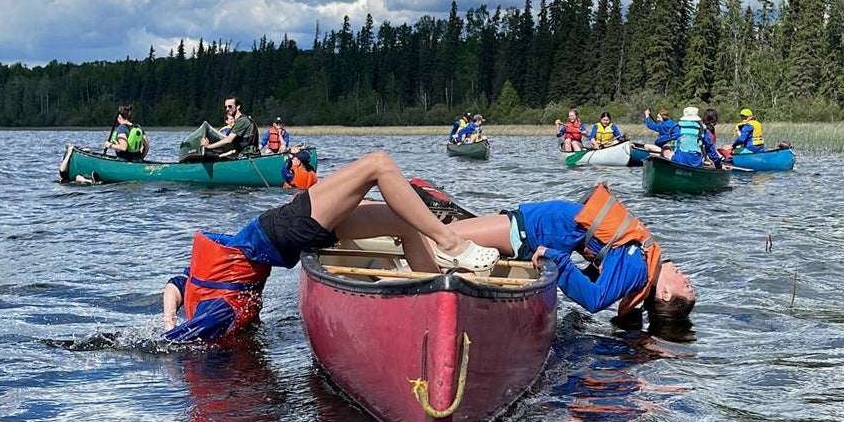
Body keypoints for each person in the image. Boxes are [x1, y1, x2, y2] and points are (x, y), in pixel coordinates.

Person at [161, 151, 501, 342]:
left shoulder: (202, 287)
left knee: (404, 224)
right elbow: (183, 333)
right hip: (287, 227)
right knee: (378, 163)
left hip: (289, 229)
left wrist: (167, 322)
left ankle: (436, 296)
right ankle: (451, 241)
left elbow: (175, 286)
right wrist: (170, 335)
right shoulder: (218, 308)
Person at [446, 183, 695, 322]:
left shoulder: (637, 268)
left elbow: (594, 300)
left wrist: (556, 258)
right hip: (535, 227)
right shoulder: (640, 258)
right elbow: (595, 273)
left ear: (665, 293)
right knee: (446, 238)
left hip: (530, 232)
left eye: (687, 288)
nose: (687, 279)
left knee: (442, 237)